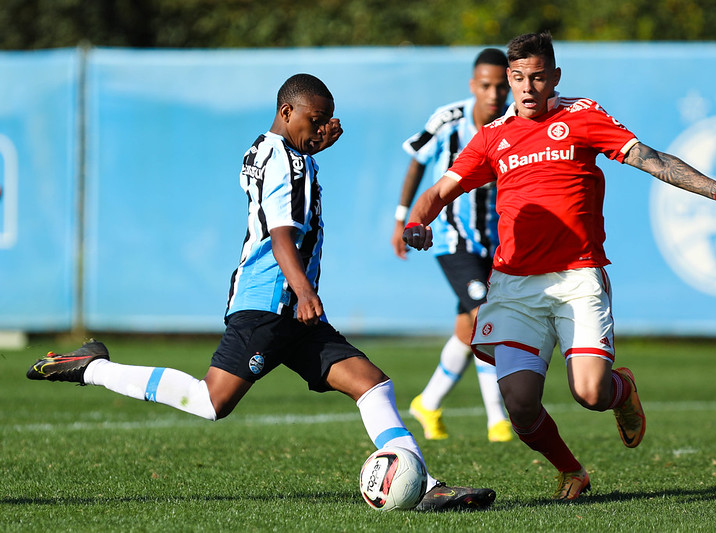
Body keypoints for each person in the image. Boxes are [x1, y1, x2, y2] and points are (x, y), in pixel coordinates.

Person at [26, 73, 495, 512]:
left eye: (326, 121)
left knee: (371, 383)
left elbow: (283, 185)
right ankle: (93, 369)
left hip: (291, 308)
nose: (321, 129)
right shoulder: (284, 160)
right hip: (268, 304)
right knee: (212, 402)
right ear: (287, 111)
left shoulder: (274, 151)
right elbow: (280, 232)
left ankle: (427, 487)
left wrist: (311, 151)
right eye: (314, 121)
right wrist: (304, 289)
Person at [402, 32, 716, 501]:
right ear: (508, 80)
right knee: (519, 404)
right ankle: (572, 470)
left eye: (536, 77)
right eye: (517, 78)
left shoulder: (581, 116)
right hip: (514, 284)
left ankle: (622, 390)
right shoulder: (493, 137)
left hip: (577, 276)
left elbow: (651, 159)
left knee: (590, 393)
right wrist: (416, 221)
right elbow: (438, 191)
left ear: (554, 77)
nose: (527, 88)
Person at [391, 48, 514, 443]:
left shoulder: (517, 122)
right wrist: (403, 218)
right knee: (484, 317)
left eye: (500, 86)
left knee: (467, 327)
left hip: (495, 241)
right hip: (450, 236)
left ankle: (428, 402)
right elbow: (417, 161)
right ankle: (498, 420)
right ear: (472, 85)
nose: (494, 94)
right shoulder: (448, 119)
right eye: (486, 86)